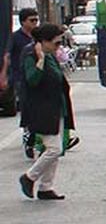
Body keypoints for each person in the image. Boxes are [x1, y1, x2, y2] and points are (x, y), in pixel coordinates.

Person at [17, 22, 72, 201]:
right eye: (56, 43)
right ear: (43, 42)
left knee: (57, 148)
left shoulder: (50, 55)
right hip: (41, 108)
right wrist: (40, 61)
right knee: (53, 149)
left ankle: (46, 186)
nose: (58, 47)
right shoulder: (31, 55)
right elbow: (32, 80)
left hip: (56, 106)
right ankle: (30, 177)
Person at [7, 7, 40, 156]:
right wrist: (4, 75)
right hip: (20, 78)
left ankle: (35, 136)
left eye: (36, 20)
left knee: (37, 107)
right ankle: (28, 135)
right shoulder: (15, 37)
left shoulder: (37, 37)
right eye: (32, 20)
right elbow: (7, 56)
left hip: (36, 77)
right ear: (23, 22)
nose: (35, 23)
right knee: (27, 107)